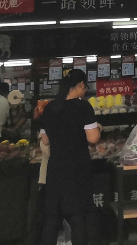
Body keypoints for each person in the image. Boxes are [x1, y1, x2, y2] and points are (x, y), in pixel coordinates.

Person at [37, 69, 101, 245]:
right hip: (77, 168)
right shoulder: (83, 107)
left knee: (52, 217)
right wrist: (98, 129)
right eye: (85, 87)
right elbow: (93, 138)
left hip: (55, 168)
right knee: (78, 215)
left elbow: (45, 140)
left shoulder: (49, 108)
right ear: (80, 85)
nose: (85, 91)